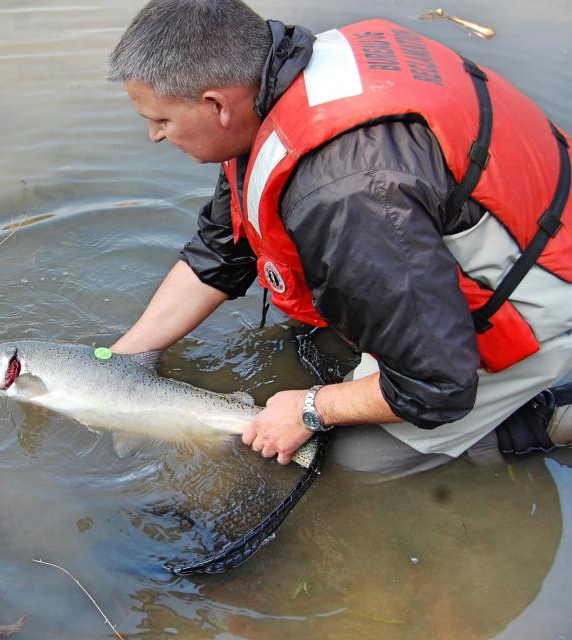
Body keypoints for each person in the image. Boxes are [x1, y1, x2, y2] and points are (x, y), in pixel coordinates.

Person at [105, 0, 572, 476]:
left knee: (355, 458)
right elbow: (222, 250)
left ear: (217, 105)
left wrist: (311, 408)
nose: (154, 136)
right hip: (515, 222)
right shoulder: (280, 86)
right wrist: (120, 363)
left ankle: (546, 420)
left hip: (546, 289)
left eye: (161, 120)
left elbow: (436, 385)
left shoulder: (346, 191)